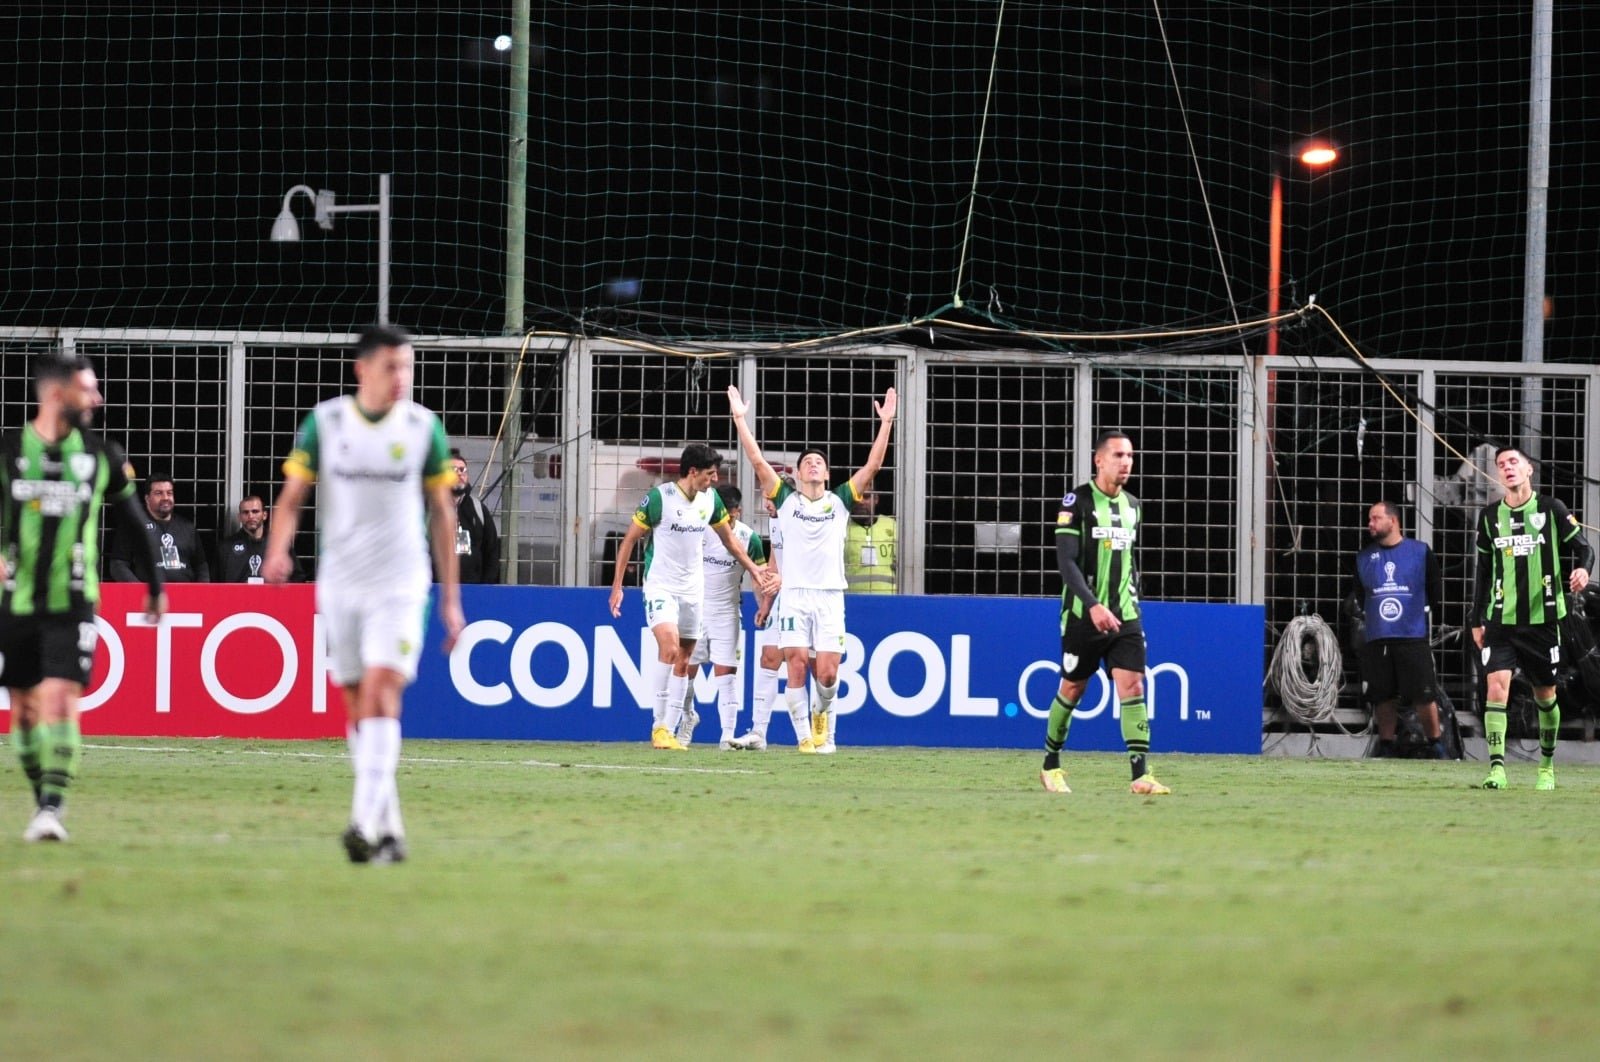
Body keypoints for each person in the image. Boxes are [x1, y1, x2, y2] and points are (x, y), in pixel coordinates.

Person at [263, 324, 465, 863]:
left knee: (381, 689)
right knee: (356, 703)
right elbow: (291, 498)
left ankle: (360, 821)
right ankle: (390, 830)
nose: (402, 377)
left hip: (400, 582)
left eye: (407, 367)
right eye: (391, 367)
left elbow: (443, 514)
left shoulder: (422, 427)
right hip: (342, 582)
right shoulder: (326, 423)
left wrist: (450, 598)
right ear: (362, 369)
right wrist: (277, 551)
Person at [0, 352, 167, 842]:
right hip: (18, 600)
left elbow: (135, 523)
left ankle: (51, 809)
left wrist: (155, 585)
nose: (98, 398)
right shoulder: (9, 451)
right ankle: (42, 796)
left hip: (74, 599)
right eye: (88, 389)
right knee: (25, 710)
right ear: (57, 394)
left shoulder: (102, 455)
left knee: (60, 696)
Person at [727, 383, 897, 755]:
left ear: (827, 473)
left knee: (828, 673)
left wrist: (886, 423)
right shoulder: (787, 500)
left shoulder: (840, 501)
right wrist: (740, 419)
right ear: (799, 473)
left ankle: (822, 720)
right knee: (797, 665)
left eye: (818, 461)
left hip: (830, 596)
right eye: (807, 462)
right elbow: (757, 462)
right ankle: (806, 738)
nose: (813, 464)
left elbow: (872, 466)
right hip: (795, 596)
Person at [608, 444, 776, 751]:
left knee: (684, 660)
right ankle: (659, 726)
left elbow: (729, 540)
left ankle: (673, 729)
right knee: (670, 648)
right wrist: (617, 586)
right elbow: (629, 539)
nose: (715, 480)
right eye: (710, 474)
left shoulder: (710, 500)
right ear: (693, 472)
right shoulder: (660, 498)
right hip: (661, 586)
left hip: (693, 591)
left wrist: (754, 568)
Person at [1040, 430, 1170, 796]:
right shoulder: (1076, 502)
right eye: (1118, 455)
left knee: (1133, 685)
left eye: (1130, 456)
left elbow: (1127, 560)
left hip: (1124, 614)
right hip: (1083, 614)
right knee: (1073, 688)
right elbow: (1066, 562)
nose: (1126, 462)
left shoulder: (1133, 506)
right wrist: (1093, 604)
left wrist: (1132, 596)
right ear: (1099, 460)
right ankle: (1050, 765)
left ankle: (1140, 775)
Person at [1469, 445, 1593, 791]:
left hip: (1543, 620)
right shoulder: (1490, 517)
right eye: (1501, 464)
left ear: (1528, 470)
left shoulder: (1551, 509)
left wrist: (1583, 570)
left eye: (1513, 462)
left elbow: (1585, 548)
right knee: (1496, 688)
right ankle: (1496, 770)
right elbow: (1484, 570)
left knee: (1545, 696)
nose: (1507, 468)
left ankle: (1547, 767)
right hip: (1500, 620)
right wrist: (1476, 619)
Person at [1350, 501, 1447, 759]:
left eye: (1375, 518)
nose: (1370, 524)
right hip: (1378, 637)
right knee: (1383, 696)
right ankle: (1386, 745)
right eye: (1369, 519)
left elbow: (1435, 590)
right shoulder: (1364, 558)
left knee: (1423, 694)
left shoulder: (1420, 552)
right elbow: (1361, 595)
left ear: (1393, 521)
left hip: (1412, 635)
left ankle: (1436, 744)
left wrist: (1416, 611)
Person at [674, 484, 768, 749]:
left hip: (726, 611)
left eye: (726, 513)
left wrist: (763, 606)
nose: (721, 519)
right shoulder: (700, 528)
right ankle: (688, 717)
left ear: (737, 511)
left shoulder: (749, 538)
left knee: (726, 674)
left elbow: (759, 577)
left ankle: (727, 735)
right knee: (684, 671)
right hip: (695, 608)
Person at [107, 473, 210, 583]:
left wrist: (201, 590)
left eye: (169, 493)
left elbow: (201, 566)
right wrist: (138, 589)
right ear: (147, 498)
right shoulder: (133, 525)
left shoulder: (188, 527)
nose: (165, 498)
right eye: (158, 493)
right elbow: (118, 564)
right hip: (149, 592)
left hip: (185, 592)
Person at [218, 494, 300, 583]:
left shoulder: (279, 544)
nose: (250, 516)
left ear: (264, 515)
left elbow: (297, 578)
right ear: (240, 517)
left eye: (255, 511)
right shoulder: (226, 547)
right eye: (245, 512)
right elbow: (216, 583)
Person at [448, 449, 501, 584]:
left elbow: (491, 552)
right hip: (436, 588)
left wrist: (485, 588)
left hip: (472, 588)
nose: (459, 474)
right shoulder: (431, 509)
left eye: (462, 470)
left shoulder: (478, 509)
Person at [844, 487, 897, 593]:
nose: (860, 501)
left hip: (888, 598)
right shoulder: (840, 527)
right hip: (851, 598)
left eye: (866, 497)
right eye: (856, 497)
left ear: (876, 499)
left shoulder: (892, 525)